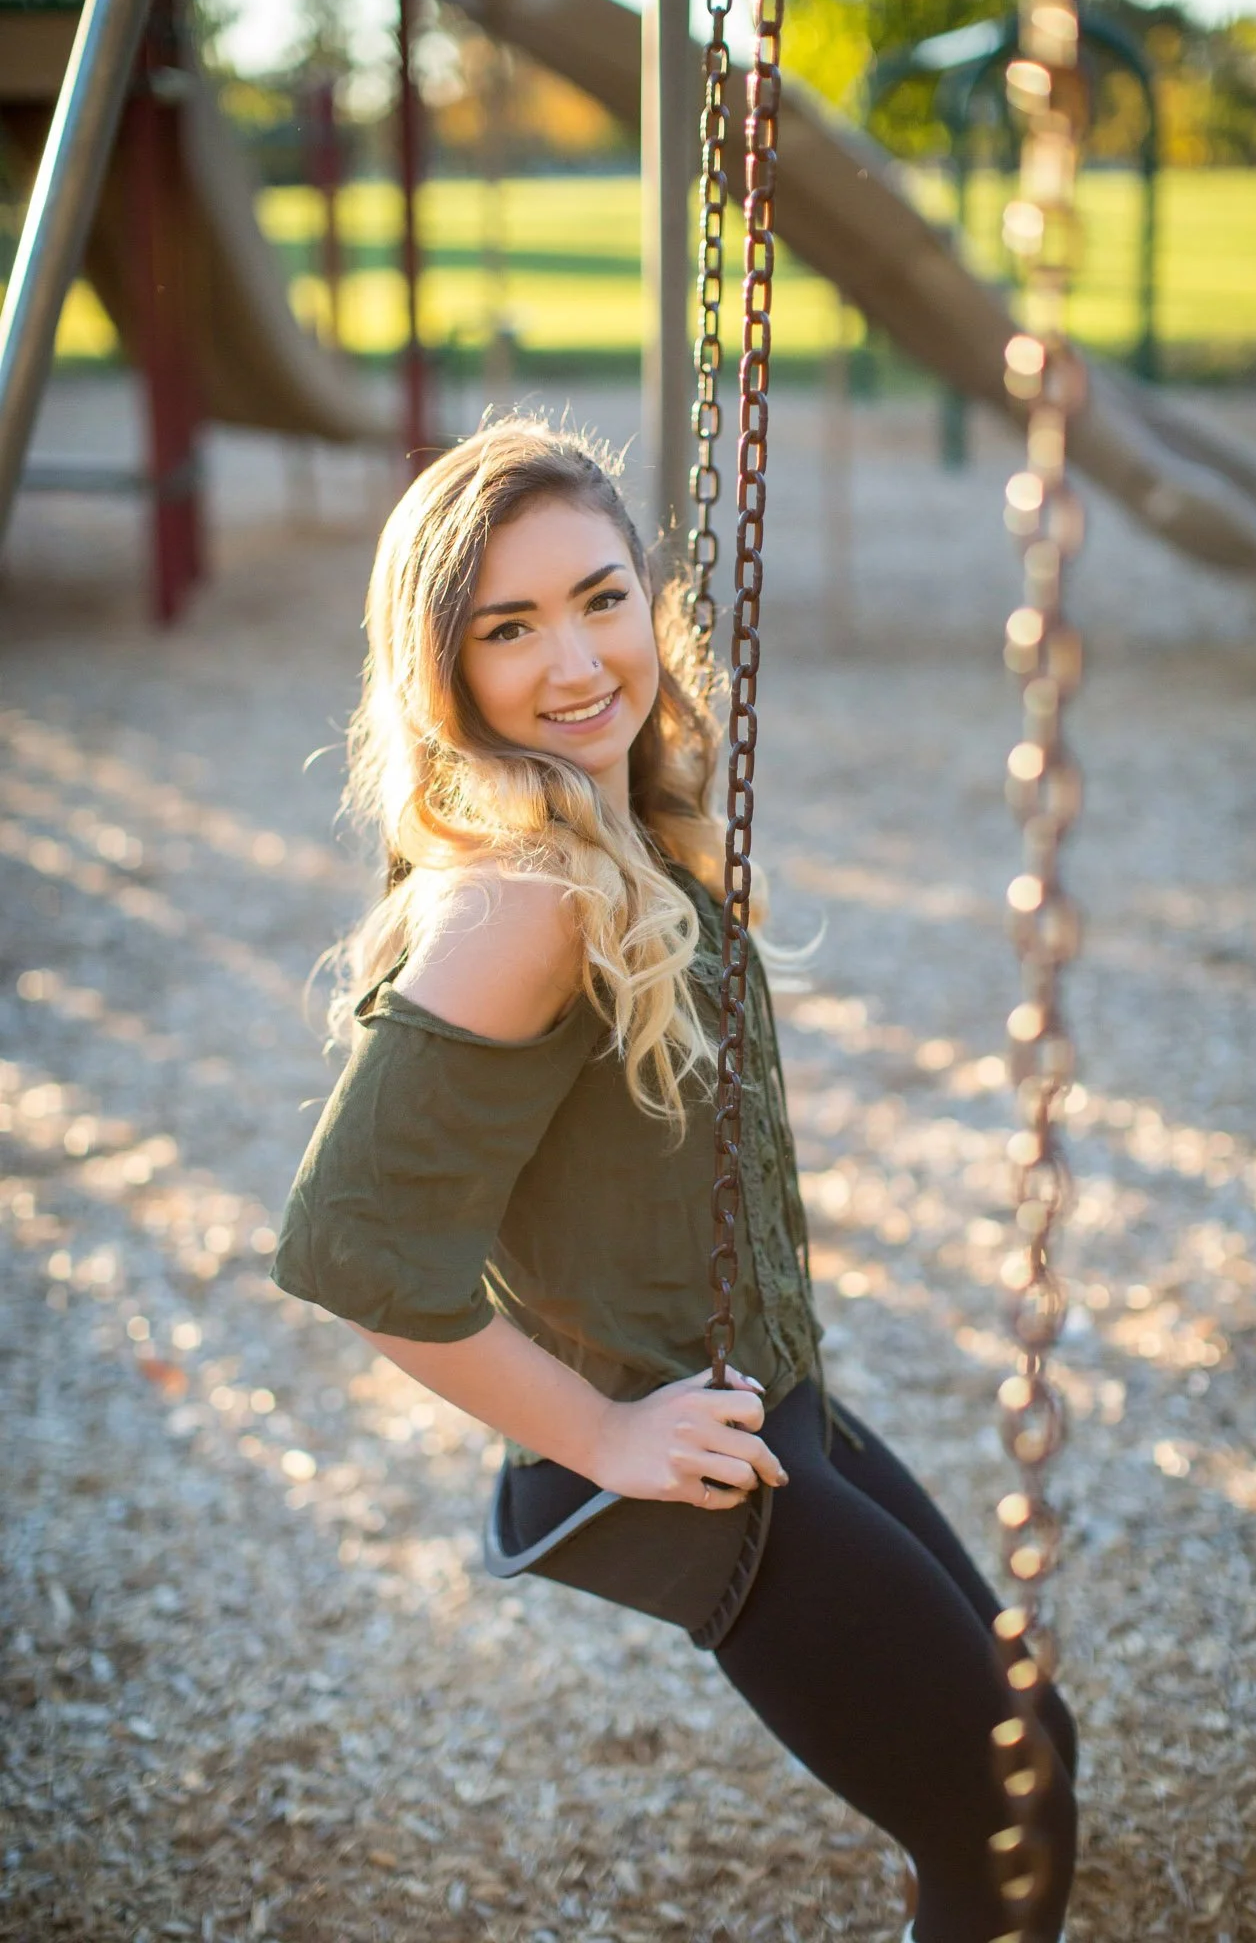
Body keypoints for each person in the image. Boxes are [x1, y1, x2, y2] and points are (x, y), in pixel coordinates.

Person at [270, 417, 1078, 1943]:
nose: (577, 662)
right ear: (444, 669)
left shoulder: (617, 831)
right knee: (1009, 1819)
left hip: (770, 1401)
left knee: (1032, 1759)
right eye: (510, 627)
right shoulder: (527, 899)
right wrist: (603, 1436)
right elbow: (353, 1247)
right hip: (697, 1467)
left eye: (601, 598)